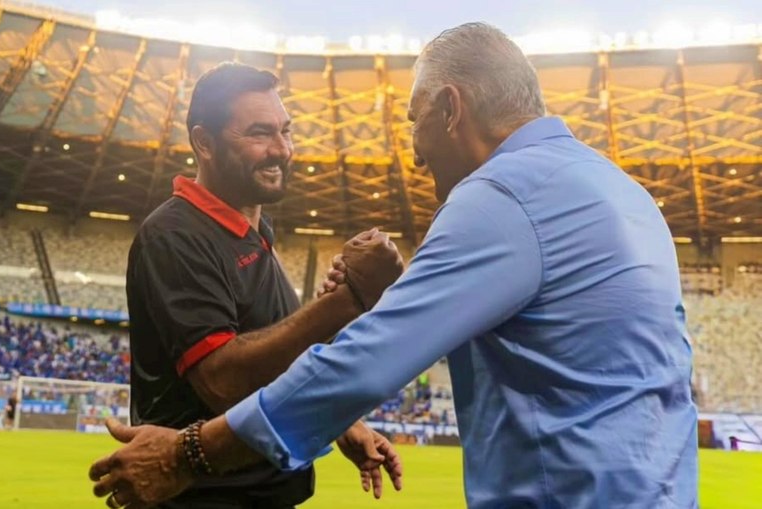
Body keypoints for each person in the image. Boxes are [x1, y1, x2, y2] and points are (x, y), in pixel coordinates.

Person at [88, 23, 698, 508]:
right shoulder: (621, 191)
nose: (414, 152)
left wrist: (185, 455)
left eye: (414, 120)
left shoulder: (501, 199)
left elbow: (367, 362)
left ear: (451, 108)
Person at [96, 62, 404, 509]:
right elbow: (222, 381)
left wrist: (340, 423)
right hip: (202, 499)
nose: (281, 149)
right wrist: (348, 300)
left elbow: (277, 357)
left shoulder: (257, 232)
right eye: (260, 133)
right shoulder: (176, 235)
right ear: (204, 143)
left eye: (286, 131)